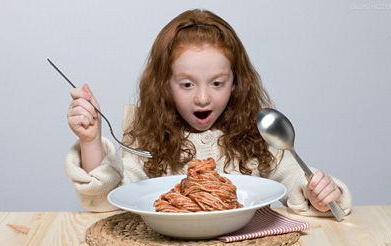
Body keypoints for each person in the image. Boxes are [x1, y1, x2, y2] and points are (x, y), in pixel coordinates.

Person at [66, 9, 352, 215]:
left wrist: (321, 193)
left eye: (217, 83)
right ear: (164, 85)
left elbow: (295, 178)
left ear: (236, 82)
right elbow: (110, 200)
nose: (202, 98)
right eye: (187, 84)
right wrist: (90, 142)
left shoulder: (255, 132)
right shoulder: (147, 136)